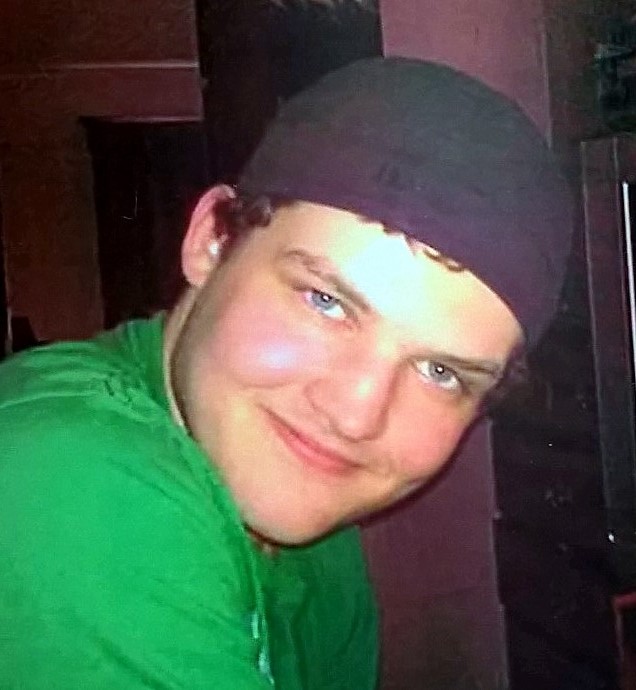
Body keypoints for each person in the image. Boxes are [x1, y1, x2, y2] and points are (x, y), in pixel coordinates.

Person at [0, 57, 571, 689]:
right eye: (325, 301)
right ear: (213, 240)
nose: (355, 416)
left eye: (440, 371)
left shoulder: (314, 533)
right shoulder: (67, 480)